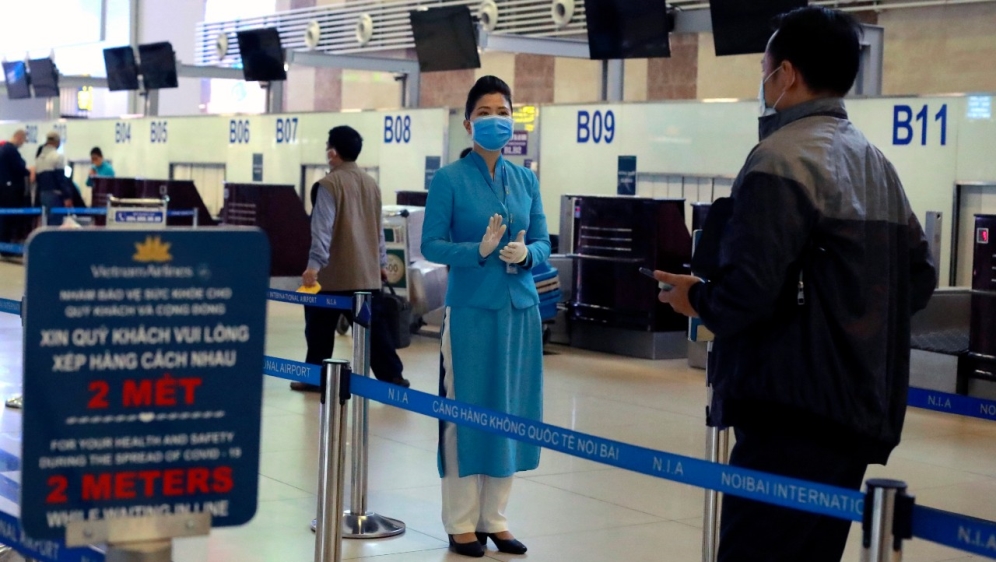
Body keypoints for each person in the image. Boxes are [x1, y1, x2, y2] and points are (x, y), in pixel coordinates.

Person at [654, 8, 936, 562]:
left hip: (789, 409)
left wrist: (696, 297)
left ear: (785, 74)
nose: (762, 80)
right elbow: (919, 278)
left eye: (764, 67)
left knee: (757, 548)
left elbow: (749, 292)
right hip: (855, 409)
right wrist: (847, 323)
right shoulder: (876, 163)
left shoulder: (780, 160)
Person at [422, 75, 550, 558]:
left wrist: (527, 254)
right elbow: (430, 244)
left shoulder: (525, 179)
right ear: (468, 120)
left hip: (520, 308)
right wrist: (477, 249)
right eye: (486, 111)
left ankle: (494, 518)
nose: (496, 119)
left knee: (510, 412)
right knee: (465, 411)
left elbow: (543, 240)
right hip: (473, 309)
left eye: (503, 111)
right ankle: (460, 522)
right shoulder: (450, 180)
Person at [298, 125, 409, 391]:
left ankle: (316, 378)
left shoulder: (328, 185)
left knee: (318, 331)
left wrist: (313, 266)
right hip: (366, 277)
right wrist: (381, 264)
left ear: (332, 152)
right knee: (373, 331)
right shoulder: (372, 184)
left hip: (332, 278)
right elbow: (377, 230)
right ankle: (392, 377)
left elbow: (322, 229)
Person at [0, 130, 30, 256]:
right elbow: (19, 168)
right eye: (23, 141)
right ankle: (7, 248)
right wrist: (28, 171)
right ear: (19, 137)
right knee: (9, 220)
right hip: (10, 191)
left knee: (4, 220)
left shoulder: (4, 149)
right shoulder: (11, 150)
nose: (22, 144)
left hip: (4, 189)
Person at [35, 132, 74, 226]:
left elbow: (38, 182)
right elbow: (61, 180)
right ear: (57, 142)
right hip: (55, 196)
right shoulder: (57, 156)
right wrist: (67, 197)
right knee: (55, 224)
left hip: (43, 195)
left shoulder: (39, 158)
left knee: (46, 223)